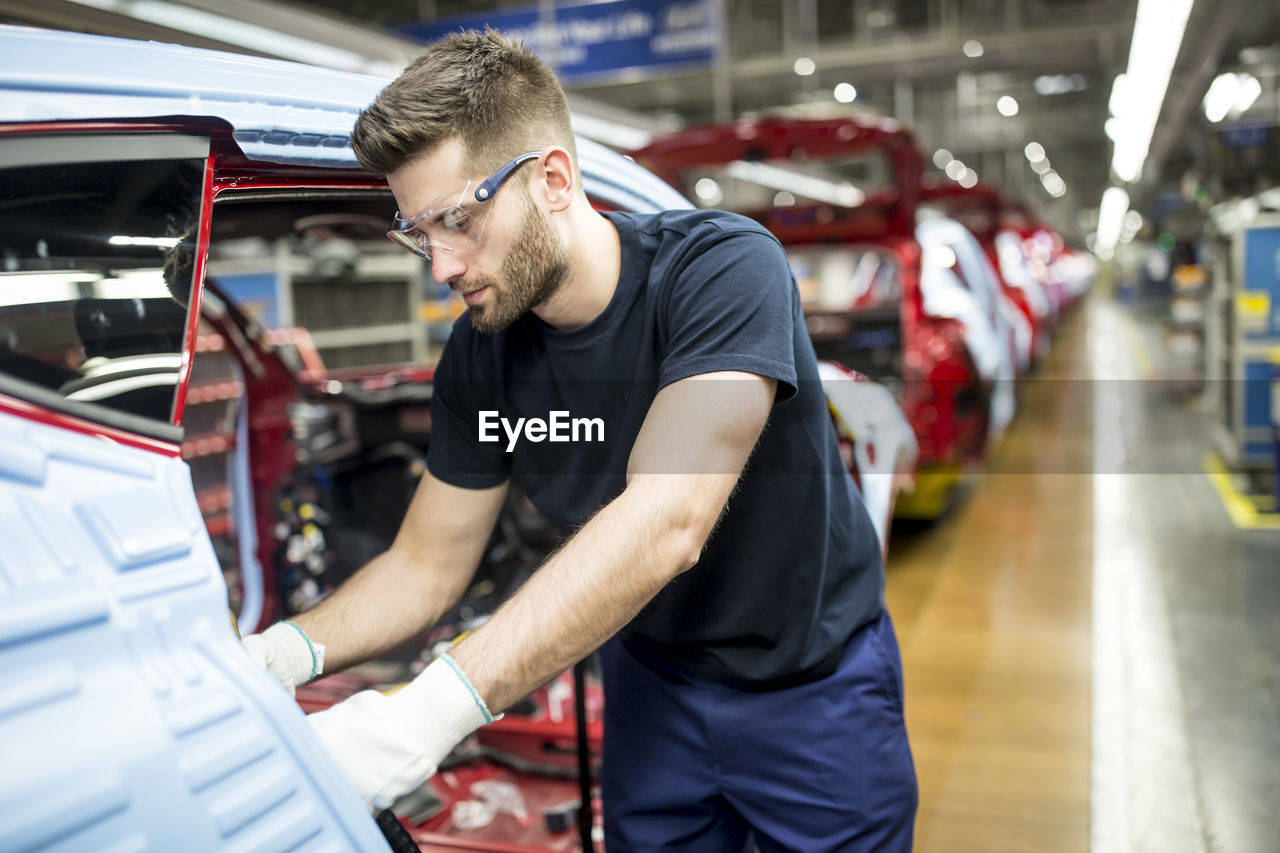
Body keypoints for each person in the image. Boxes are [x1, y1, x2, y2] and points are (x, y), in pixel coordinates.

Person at [242, 28, 917, 851]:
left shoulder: (720, 271)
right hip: (653, 687)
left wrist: (427, 711)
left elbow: (668, 519)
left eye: (457, 219)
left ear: (553, 179)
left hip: (812, 694)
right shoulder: (481, 353)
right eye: (419, 232)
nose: (441, 265)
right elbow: (427, 566)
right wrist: (279, 655)